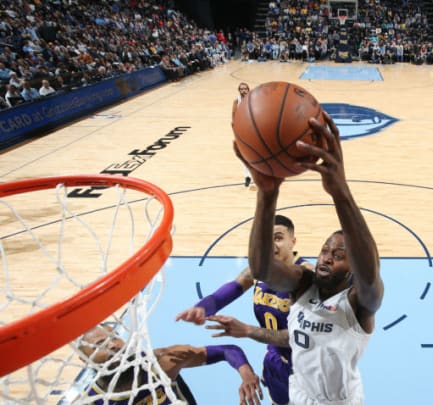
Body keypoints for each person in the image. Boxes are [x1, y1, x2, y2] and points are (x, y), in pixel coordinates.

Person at [219, 111, 383, 404]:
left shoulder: (359, 303)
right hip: (298, 395)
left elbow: (370, 270)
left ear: (352, 269)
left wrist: (340, 191)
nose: (327, 258)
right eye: (325, 250)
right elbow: (263, 270)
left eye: (339, 255)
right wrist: (267, 195)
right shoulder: (304, 284)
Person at [176, 214, 313, 405]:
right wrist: (201, 308)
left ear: (293, 242)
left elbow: (304, 337)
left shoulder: (308, 277)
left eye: (278, 237)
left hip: (310, 369)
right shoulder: (258, 270)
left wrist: (247, 330)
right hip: (277, 360)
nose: (271, 244)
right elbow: (224, 293)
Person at [78, 324, 263, 404]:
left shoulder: (162, 362)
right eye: (100, 345)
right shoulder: (91, 401)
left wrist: (246, 374)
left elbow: (227, 350)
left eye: (114, 337)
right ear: (84, 360)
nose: (112, 345)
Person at [233, 82, 253, 187]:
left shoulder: (253, 100)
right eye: (241, 89)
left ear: (248, 90)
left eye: (245, 88)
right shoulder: (237, 101)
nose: (243, 90)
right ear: (239, 90)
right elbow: (234, 118)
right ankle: (247, 176)